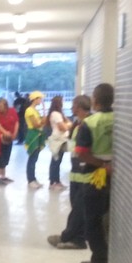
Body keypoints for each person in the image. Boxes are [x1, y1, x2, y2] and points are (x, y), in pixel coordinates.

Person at [77, 83, 114, 263]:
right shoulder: (121, 119)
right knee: (110, 217)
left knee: (92, 218)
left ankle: (99, 261)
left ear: (95, 100)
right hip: (118, 175)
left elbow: (82, 152)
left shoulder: (90, 122)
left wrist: (102, 165)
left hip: (95, 175)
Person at [47, 95, 92, 250]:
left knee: (79, 207)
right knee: (77, 206)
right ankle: (76, 237)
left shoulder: (88, 124)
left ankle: (70, 237)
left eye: (73, 105)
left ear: (79, 107)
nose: (71, 108)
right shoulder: (78, 123)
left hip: (85, 172)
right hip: (76, 172)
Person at [47, 95, 73, 189]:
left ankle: (56, 181)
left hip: (62, 140)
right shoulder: (56, 114)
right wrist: (68, 125)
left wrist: (68, 124)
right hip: (58, 140)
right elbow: (63, 127)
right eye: (62, 101)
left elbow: (67, 123)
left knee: (57, 161)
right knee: (56, 161)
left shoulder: (59, 114)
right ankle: (54, 182)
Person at [24, 91, 47, 189]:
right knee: (32, 159)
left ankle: (33, 178)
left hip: (37, 134)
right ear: (35, 99)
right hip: (33, 134)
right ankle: (30, 180)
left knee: (35, 158)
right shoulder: (29, 110)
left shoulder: (35, 110)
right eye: (39, 98)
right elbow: (36, 124)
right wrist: (43, 120)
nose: (41, 101)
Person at [0, 98, 19, 184]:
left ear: (6, 106)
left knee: (6, 157)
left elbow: (16, 122)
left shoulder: (12, 111)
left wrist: (14, 133)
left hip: (10, 138)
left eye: (0, 106)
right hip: (0, 138)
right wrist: (5, 132)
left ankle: (3, 176)